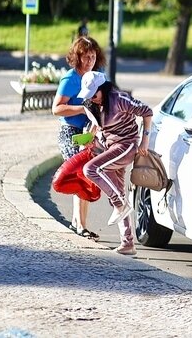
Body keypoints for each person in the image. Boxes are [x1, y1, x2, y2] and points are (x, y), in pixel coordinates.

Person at [68, 71, 153, 256]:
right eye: (89, 95)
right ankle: (128, 243)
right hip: (108, 147)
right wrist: (89, 138)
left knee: (91, 169)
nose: (93, 99)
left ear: (103, 89)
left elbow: (147, 112)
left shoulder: (119, 99)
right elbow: (96, 125)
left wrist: (145, 141)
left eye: (95, 94)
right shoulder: (90, 103)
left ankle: (120, 203)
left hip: (126, 146)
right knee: (117, 189)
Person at [51, 36, 106, 239]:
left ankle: (78, 222)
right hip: (70, 134)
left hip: (89, 133)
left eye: (93, 57)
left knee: (87, 173)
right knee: (80, 172)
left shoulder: (98, 75)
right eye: (86, 57)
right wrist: (82, 109)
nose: (90, 61)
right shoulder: (71, 79)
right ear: (77, 57)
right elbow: (56, 109)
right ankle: (80, 225)